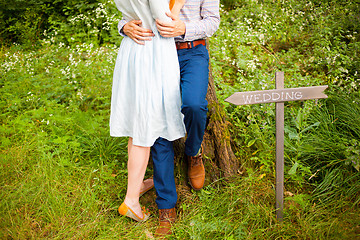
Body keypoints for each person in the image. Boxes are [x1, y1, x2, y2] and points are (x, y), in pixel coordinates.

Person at [119, 0, 220, 236]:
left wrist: (183, 28)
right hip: (155, 54)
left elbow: (213, 22)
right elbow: (134, 10)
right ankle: (166, 206)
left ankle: (193, 152)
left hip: (191, 52)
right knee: (158, 127)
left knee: (194, 105)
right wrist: (124, 27)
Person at [110, 0, 186, 222]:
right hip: (152, 52)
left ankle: (137, 184)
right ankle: (131, 201)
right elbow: (164, 22)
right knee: (145, 125)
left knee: (138, 124)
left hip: (134, 49)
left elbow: (128, 13)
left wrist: (124, 26)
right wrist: (179, 4)